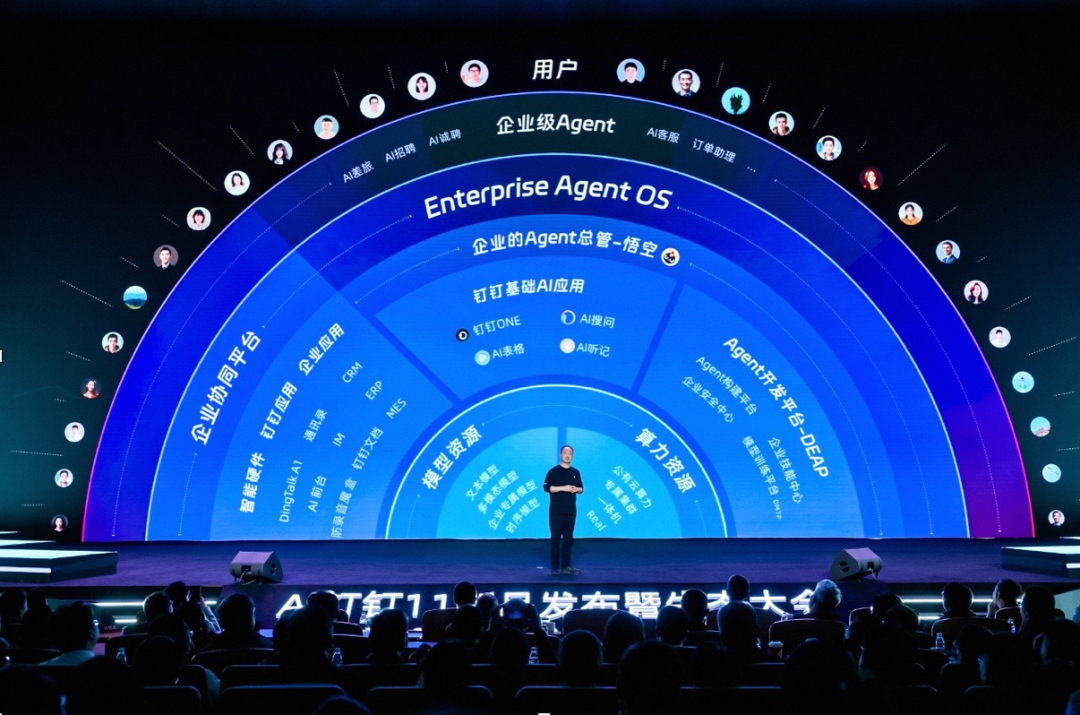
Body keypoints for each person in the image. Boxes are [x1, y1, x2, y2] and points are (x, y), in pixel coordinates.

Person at [544, 444, 583, 575]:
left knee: (568, 539)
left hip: (571, 510)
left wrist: (576, 489)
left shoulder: (575, 472)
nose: (567, 456)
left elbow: (581, 488)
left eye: (570, 454)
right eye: (565, 453)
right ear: (560, 455)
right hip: (556, 511)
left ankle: (566, 566)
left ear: (572, 456)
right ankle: (555, 568)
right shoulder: (553, 471)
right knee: (555, 538)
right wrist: (563, 488)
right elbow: (547, 488)